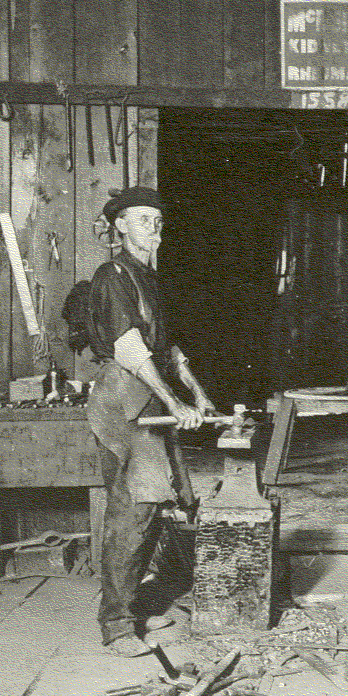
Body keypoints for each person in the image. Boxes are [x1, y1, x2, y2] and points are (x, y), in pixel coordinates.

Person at [85, 186, 217, 656]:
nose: (154, 228)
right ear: (120, 226)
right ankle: (117, 627)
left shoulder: (148, 279)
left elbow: (168, 349)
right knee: (133, 511)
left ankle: (136, 608)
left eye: (158, 220)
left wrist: (197, 392)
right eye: (143, 219)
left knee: (160, 504)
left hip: (150, 400)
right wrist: (174, 403)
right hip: (124, 401)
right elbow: (129, 350)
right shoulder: (112, 276)